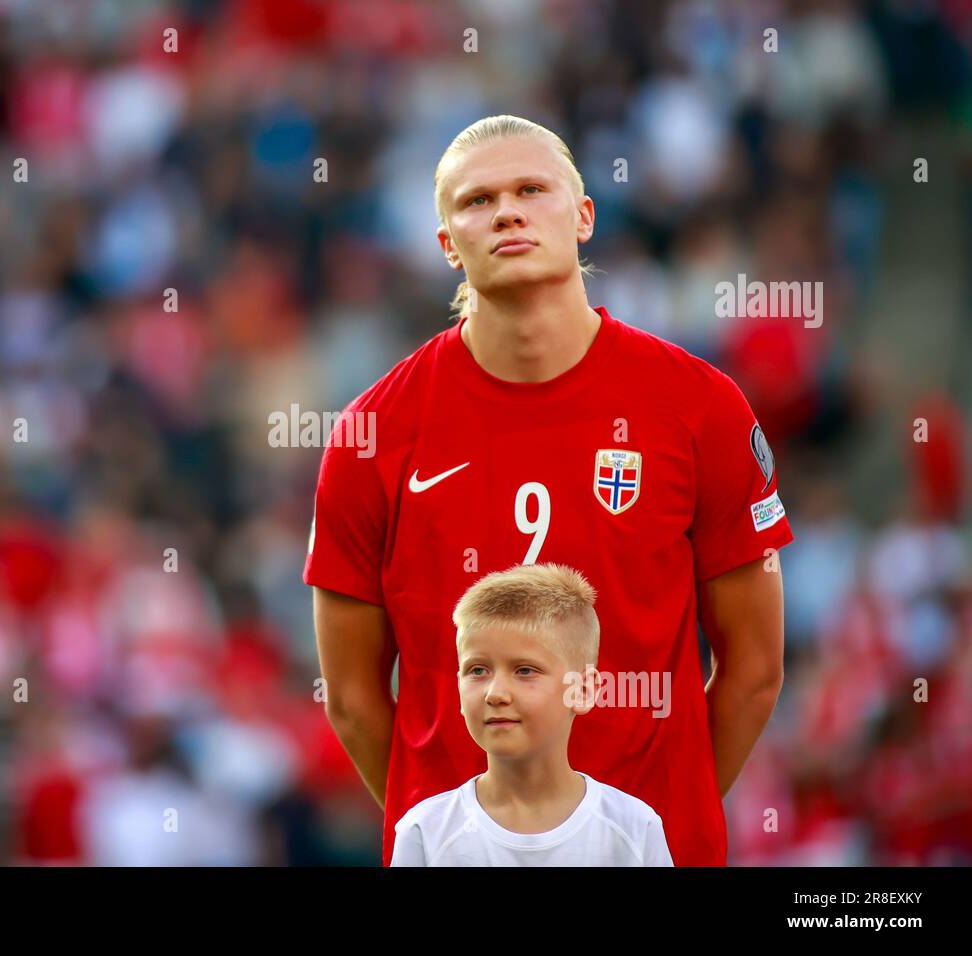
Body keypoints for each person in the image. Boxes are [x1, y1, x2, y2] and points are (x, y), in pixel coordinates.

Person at [304, 114, 794, 866]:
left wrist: (656, 821)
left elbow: (755, 670)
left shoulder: (701, 407)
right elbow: (351, 698)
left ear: (584, 215)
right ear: (447, 245)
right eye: (477, 201)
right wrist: (457, 832)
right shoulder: (372, 433)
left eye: (532, 189)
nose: (507, 211)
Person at [390, 563, 672, 866]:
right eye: (478, 670)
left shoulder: (634, 829)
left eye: (524, 670)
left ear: (583, 690)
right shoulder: (425, 833)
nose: (495, 693)